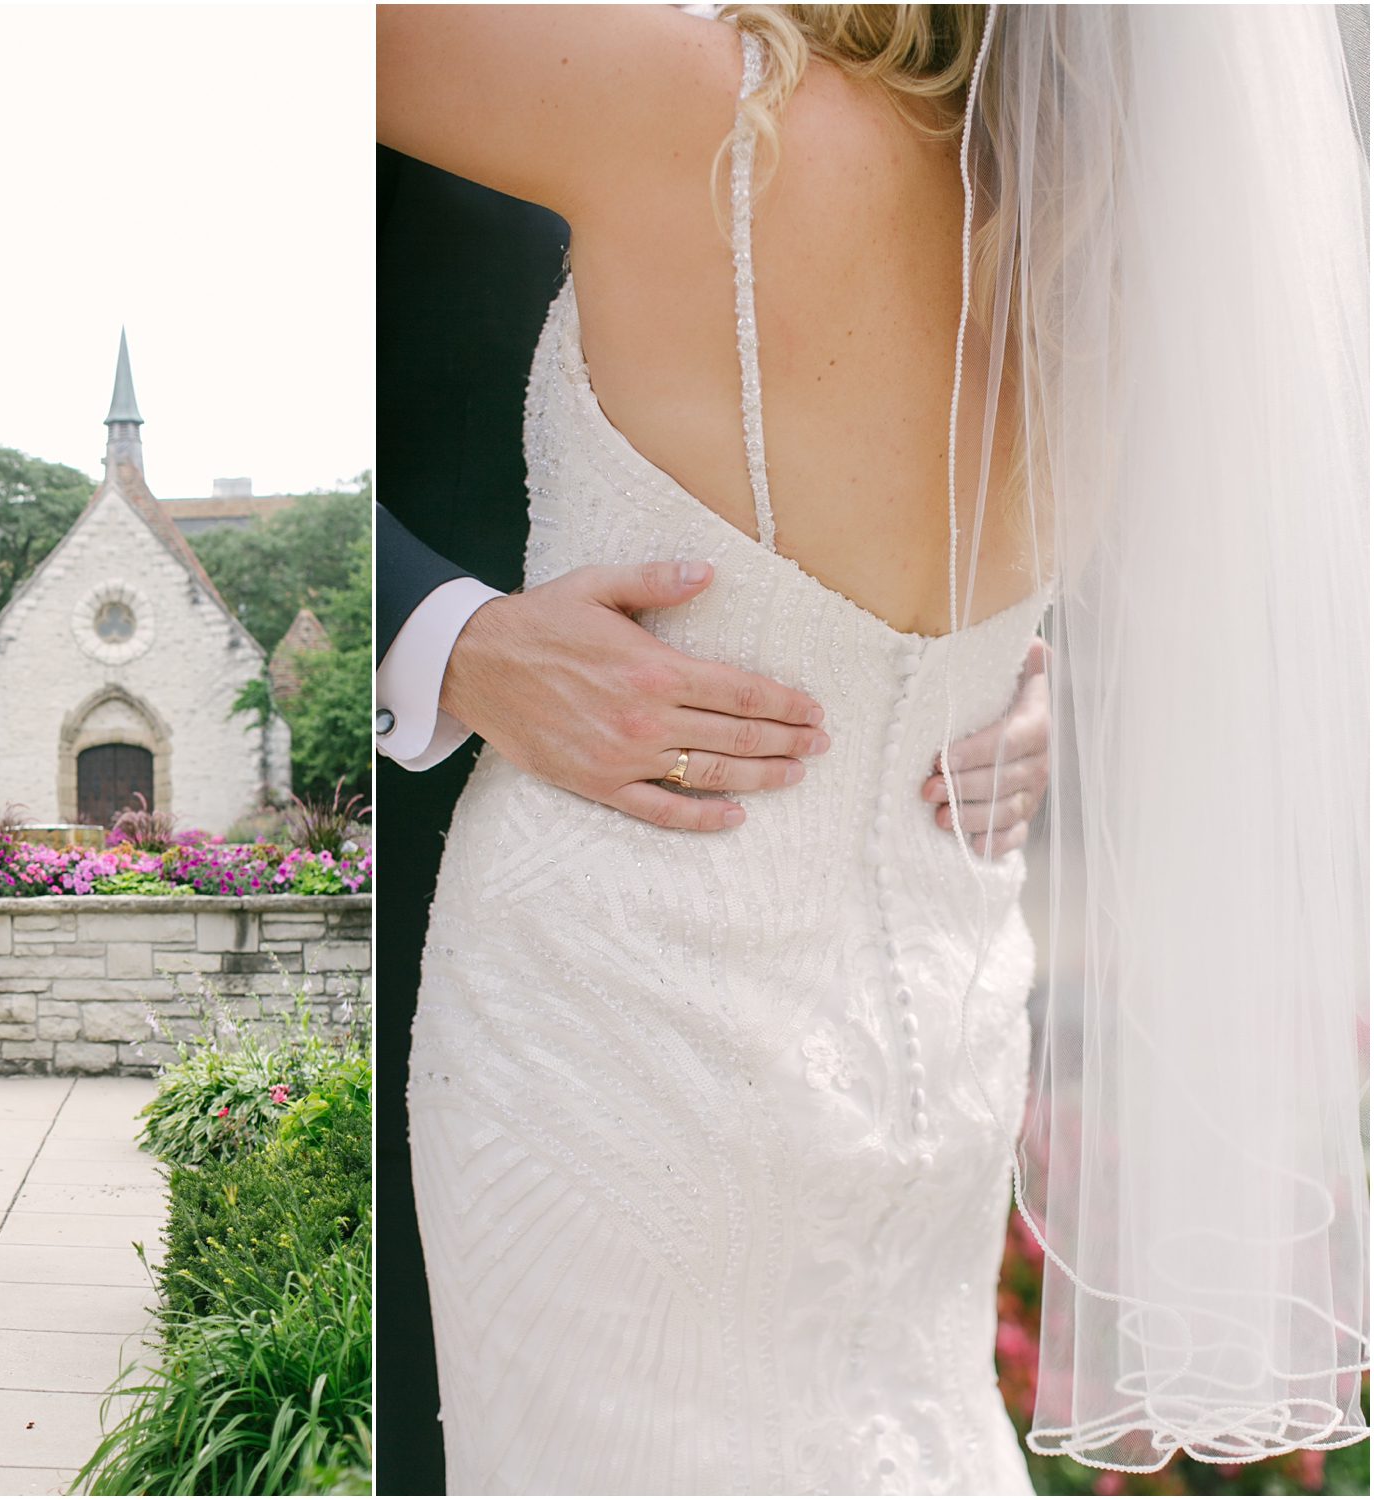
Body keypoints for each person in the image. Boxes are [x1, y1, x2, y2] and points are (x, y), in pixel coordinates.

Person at [380, 3, 1368, 1492]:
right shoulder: (1103, 237)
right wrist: (1033, 690)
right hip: (937, 1052)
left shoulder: (700, 113)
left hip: (621, 1048)